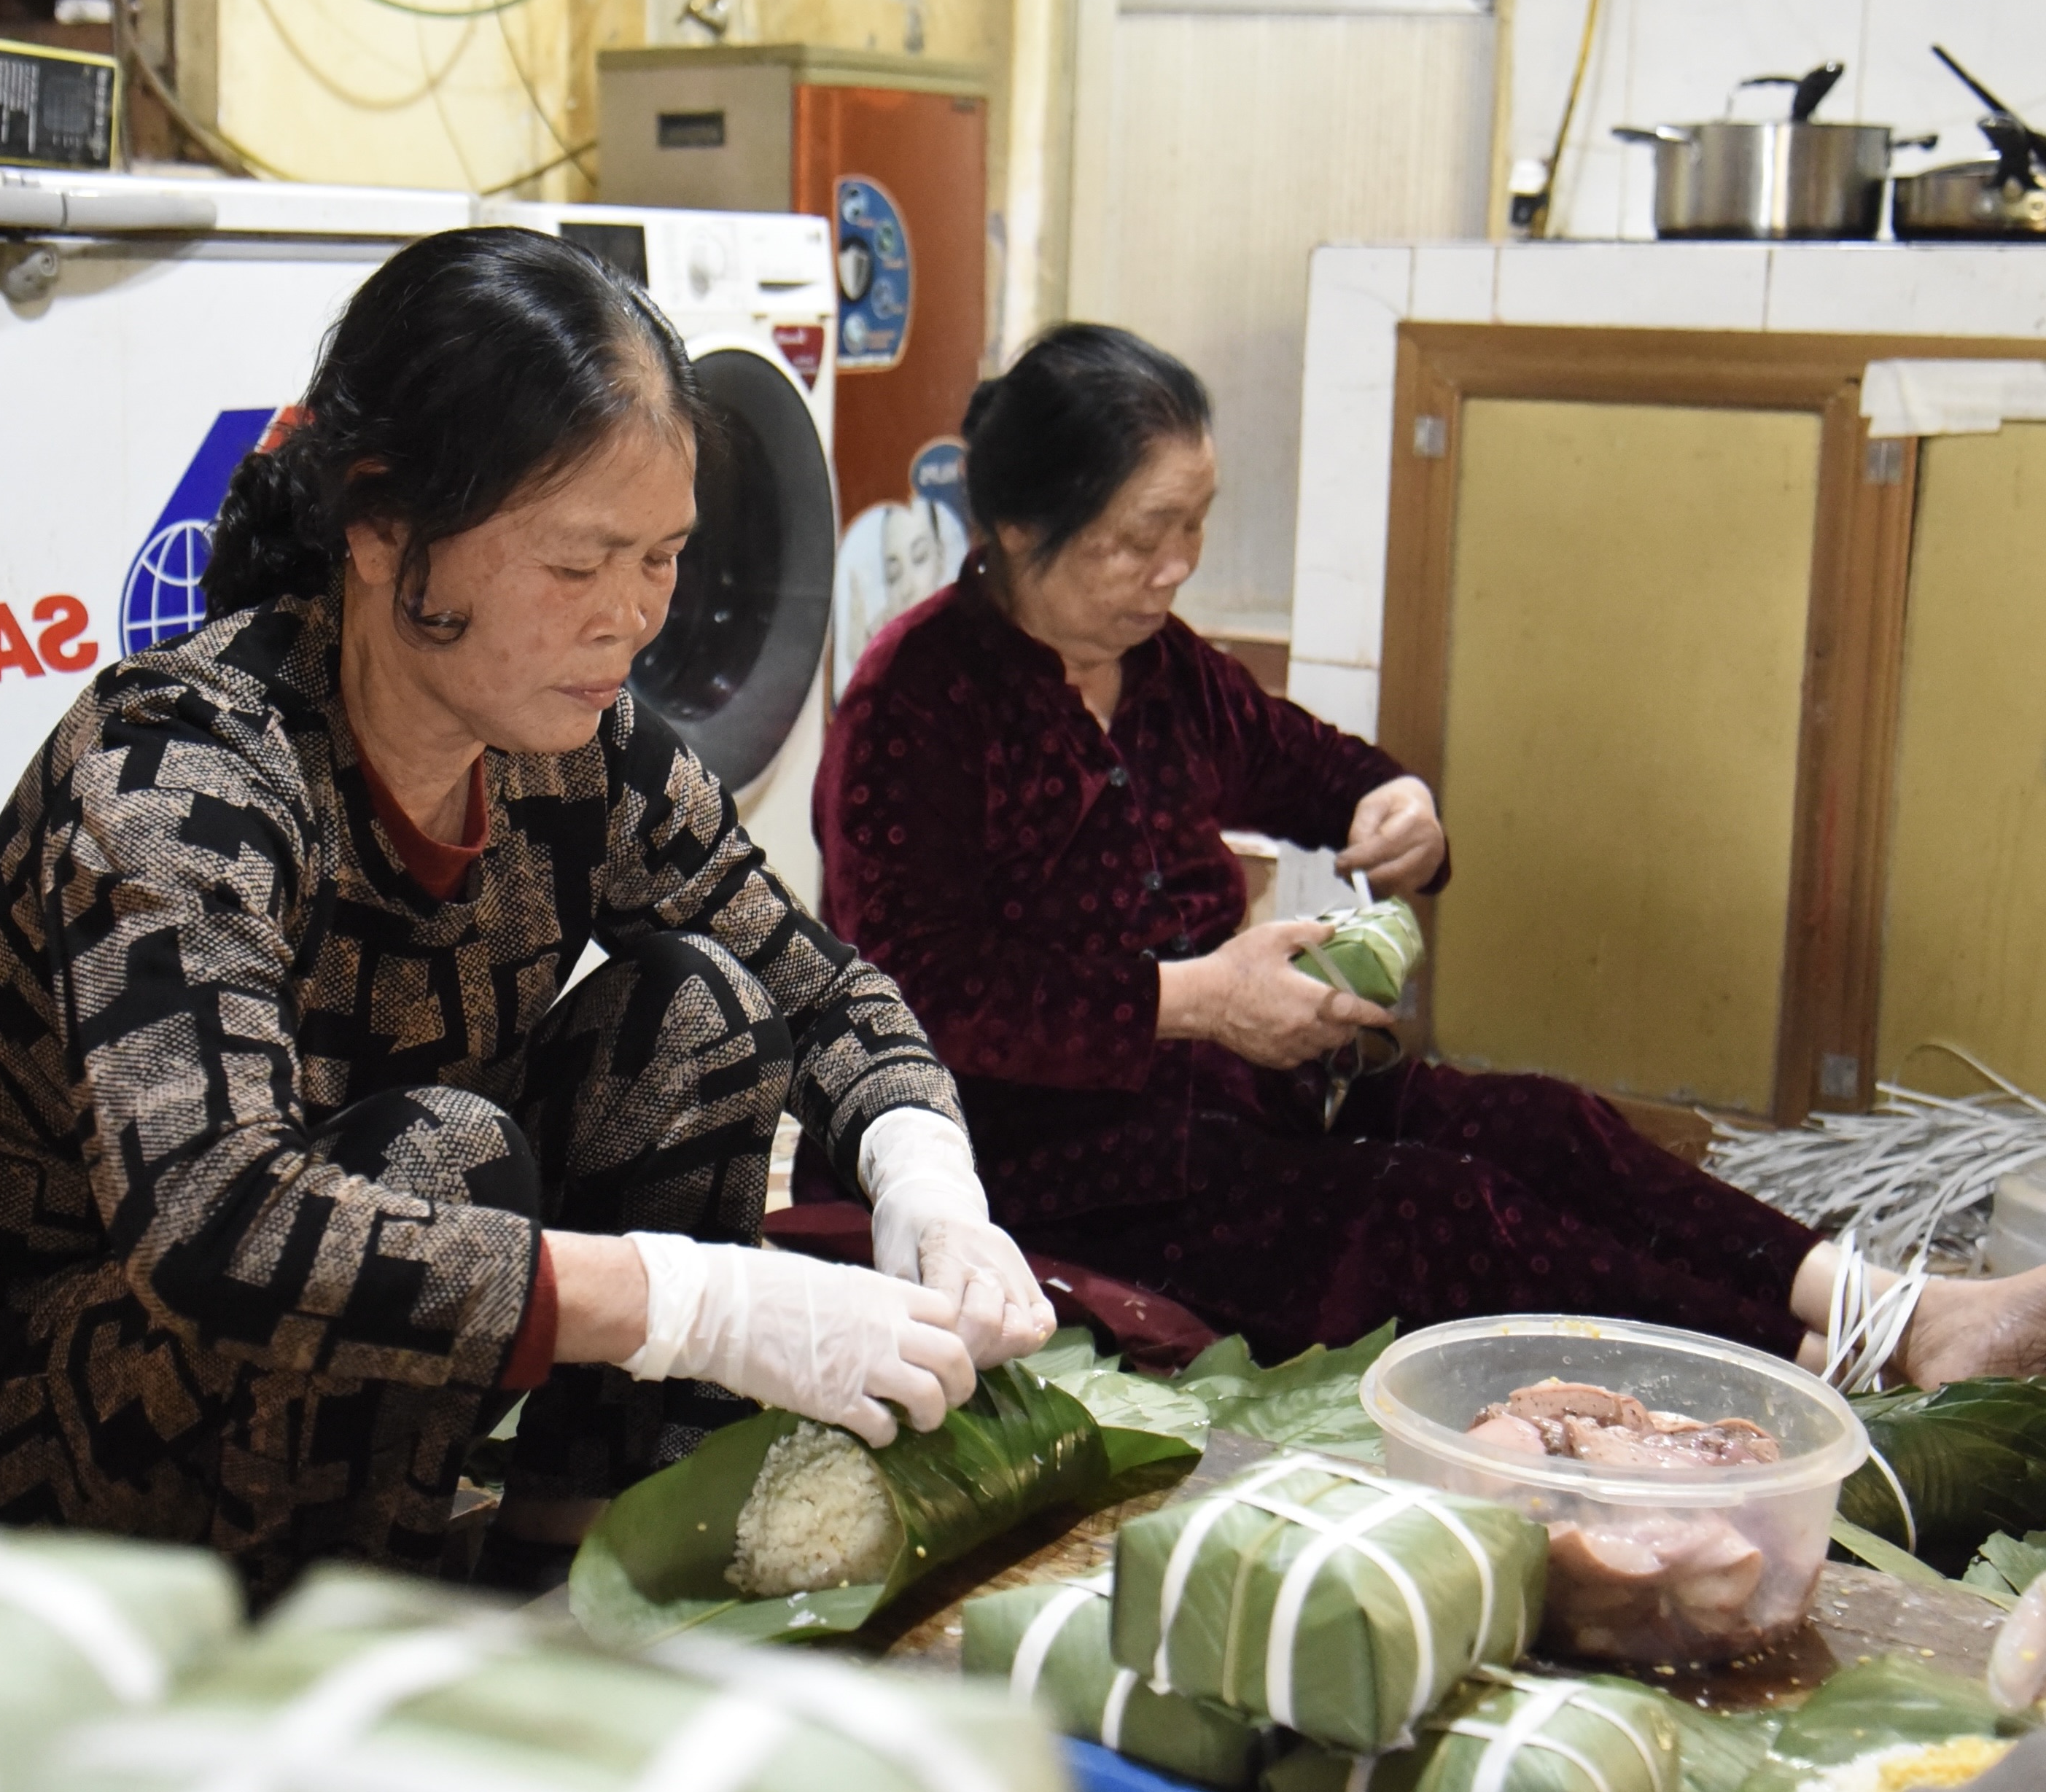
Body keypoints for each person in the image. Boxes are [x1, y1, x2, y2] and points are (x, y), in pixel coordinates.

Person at [0, 227, 1053, 1597]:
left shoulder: (576, 746)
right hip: (23, 1394)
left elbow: (817, 985)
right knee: (444, 1157)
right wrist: (699, 1308)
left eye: (661, 558)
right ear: (381, 526)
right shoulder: (182, 768)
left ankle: (578, 1535)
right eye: (578, 563)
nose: (631, 621)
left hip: (363, 1338)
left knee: (706, 1009)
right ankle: (346, 1618)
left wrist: (926, 1183)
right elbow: (216, 1226)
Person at [814, 322, 2046, 1387]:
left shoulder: (1164, 666)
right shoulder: (916, 701)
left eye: (1195, 528)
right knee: (1421, 1210)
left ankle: (1902, 1307)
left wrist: (1399, 804)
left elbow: (1318, 769)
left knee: (1541, 1127)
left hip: (1235, 1101)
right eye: (1143, 538)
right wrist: (1198, 1002)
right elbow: (907, 991)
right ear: (1025, 527)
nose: (1176, 569)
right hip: (1036, 1158)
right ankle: (1821, 1373)